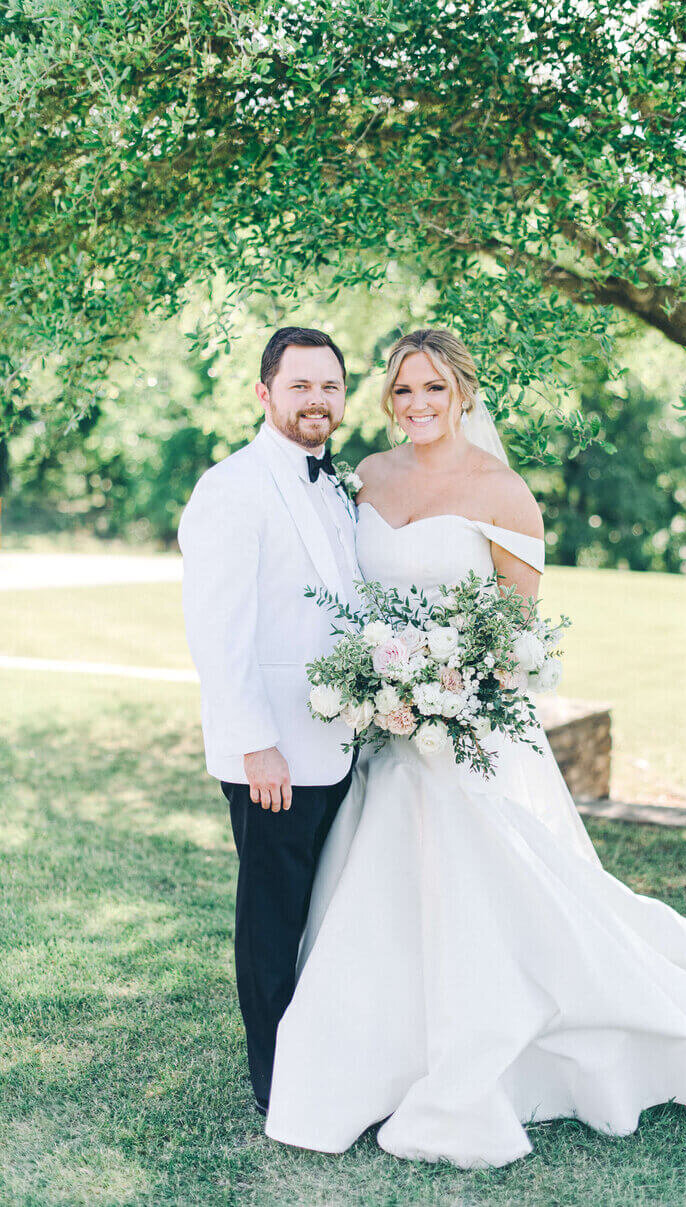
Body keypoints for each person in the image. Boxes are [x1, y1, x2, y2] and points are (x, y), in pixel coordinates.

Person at [262, 328, 686, 1169]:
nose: (418, 405)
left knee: (489, 894)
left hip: (465, 731)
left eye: (434, 389)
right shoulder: (367, 476)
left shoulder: (503, 492)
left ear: (463, 393)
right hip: (385, 734)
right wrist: (383, 685)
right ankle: (369, 1050)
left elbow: (517, 632)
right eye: (403, 391)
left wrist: (451, 689)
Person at [177, 327, 362, 1116]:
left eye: (330, 386)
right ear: (264, 394)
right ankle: (276, 1081)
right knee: (270, 918)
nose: (317, 400)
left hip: (343, 745)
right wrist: (257, 745)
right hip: (275, 754)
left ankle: (323, 1057)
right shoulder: (233, 485)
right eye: (300, 386)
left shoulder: (340, 487)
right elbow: (218, 630)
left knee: (324, 914)